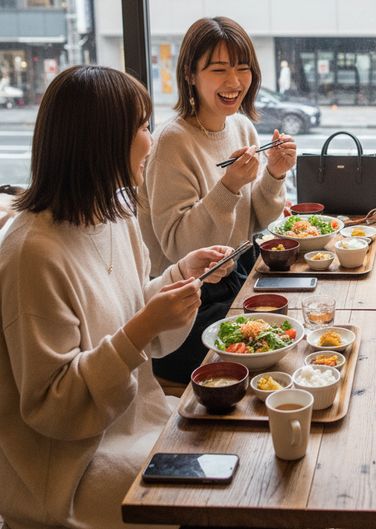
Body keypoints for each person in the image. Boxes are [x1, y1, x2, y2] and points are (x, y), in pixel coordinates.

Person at [0, 65, 235, 529]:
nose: (152, 139)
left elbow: (127, 316)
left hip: (135, 418)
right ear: (100, 142)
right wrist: (146, 323)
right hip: (68, 467)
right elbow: (53, 405)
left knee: (233, 442)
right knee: (219, 498)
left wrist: (179, 275)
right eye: (143, 127)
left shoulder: (114, 213)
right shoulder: (31, 254)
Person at [138, 16, 297, 384]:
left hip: (237, 276)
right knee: (281, 353)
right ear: (190, 75)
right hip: (189, 307)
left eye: (243, 69)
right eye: (219, 69)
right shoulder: (171, 142)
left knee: (295, 325)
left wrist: (274, 174)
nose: (234, 82)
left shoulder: (241, 126)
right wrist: (227, 187)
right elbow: (183, 250)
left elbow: (258, 221)